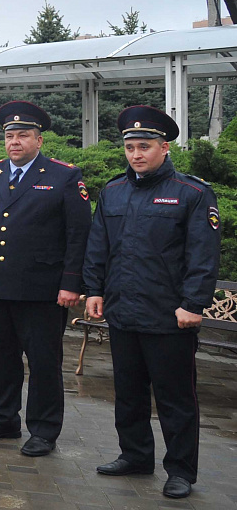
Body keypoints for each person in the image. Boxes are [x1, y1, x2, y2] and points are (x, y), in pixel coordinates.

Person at [83, 106, 219, 500]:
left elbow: (203, 256)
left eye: (145, 146)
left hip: (169, 316)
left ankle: (181, 471)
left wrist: (193, 303)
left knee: (175, 398)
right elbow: (98, 246)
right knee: (128, 392)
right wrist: (95, 290)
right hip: (123, 311)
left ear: (164, 147)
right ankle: (135, 455)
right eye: (130, 147)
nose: (136, 154)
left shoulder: (192, 193)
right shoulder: (113, 191)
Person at [0, 101, 90, 456]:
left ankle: (44, 430)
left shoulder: (64, 176)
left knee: (44, 362)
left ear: (39, 140)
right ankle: (4, 418)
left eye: (23, 135)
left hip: (42, 289)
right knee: (1, 359)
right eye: (9, 136)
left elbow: (79, 234)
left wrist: (71, 283)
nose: (14, 142)